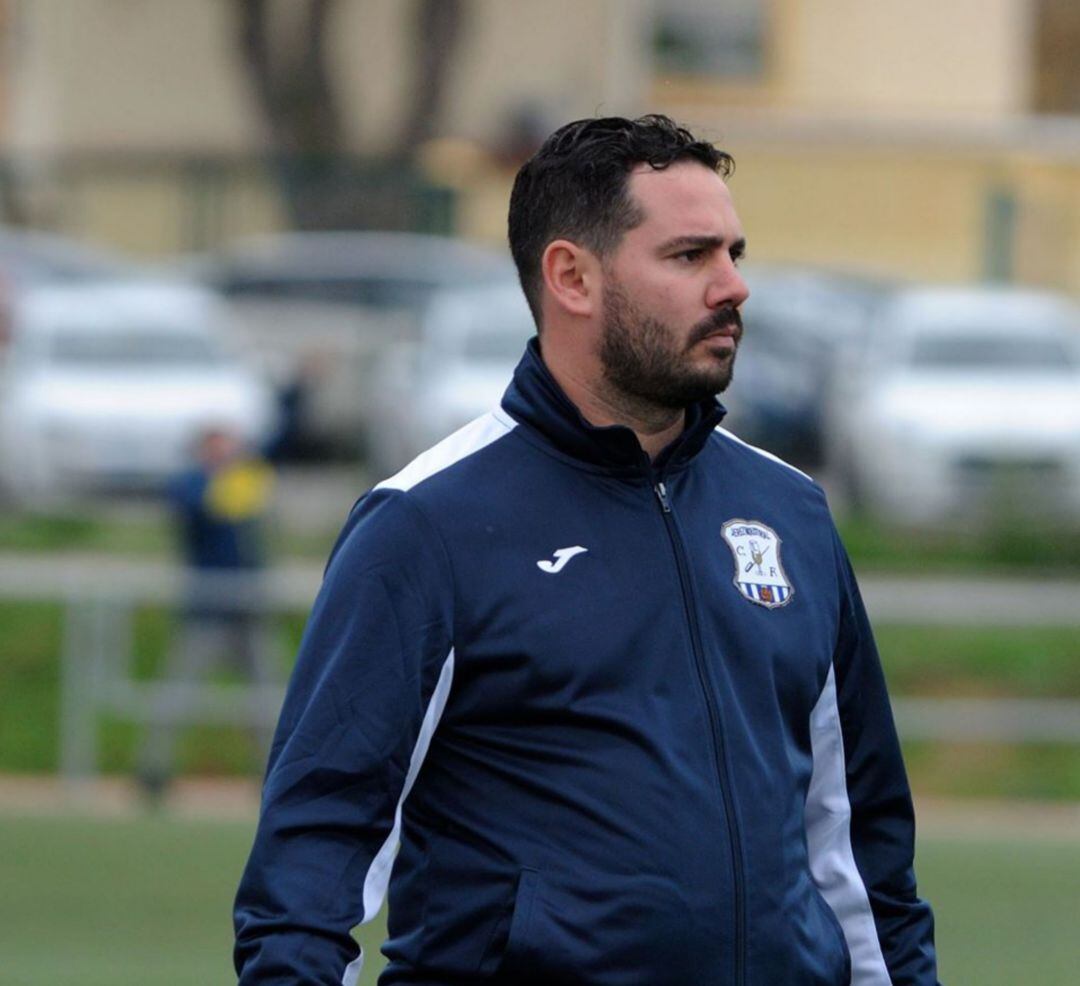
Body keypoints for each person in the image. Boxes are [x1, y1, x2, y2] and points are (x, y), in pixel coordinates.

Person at [234, 115, 939, 985]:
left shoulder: (787, 512)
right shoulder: (427, 523)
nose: (734, 287)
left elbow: (863, 854)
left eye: (735, 253)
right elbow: (314, 866)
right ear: (572, 276)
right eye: (690, 256)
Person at [138, 424, 277, 800]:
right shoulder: (190, 484)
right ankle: (153, 770)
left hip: (248, 607)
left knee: (267, 696)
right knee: (177, 693)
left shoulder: (245, 481)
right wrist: (228, 483)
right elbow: (203, 507)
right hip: (206, 608)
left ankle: (273, 774)